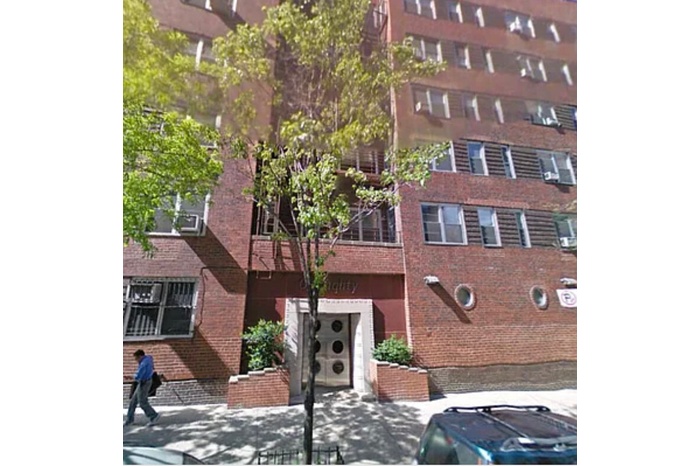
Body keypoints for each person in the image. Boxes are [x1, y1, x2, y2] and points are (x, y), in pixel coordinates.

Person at [124, 349, 161, 427]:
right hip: (145, 381)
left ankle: (154, 416)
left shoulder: (143, 364)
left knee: (142, 402)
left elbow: (138, 376)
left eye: (136, 358)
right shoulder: (148, 358)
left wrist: (130, 377)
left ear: (140, 356)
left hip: (144, 383)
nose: (136, 360)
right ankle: (129, 420)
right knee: (133, 401)